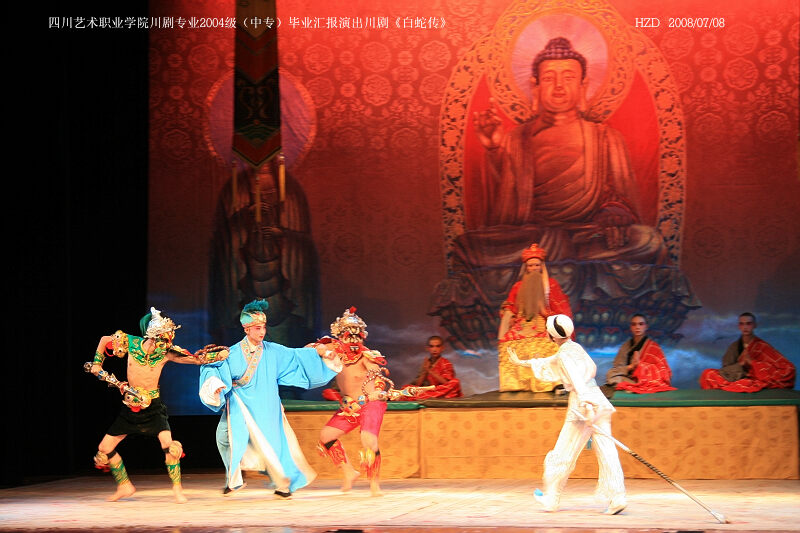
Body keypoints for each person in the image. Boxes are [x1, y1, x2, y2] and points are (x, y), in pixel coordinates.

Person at [472, 36, 667, 264]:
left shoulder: (606, 138)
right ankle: (561, 255)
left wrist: (615, 212)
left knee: (647, 240)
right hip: (533, 238)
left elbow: (623, 198)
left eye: (569, 77)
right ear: (535, 87)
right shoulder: (516, 138)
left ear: (583, 86)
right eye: (548, 78)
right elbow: (503, 212)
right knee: (471, 247)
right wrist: (493, 149)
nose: (559, 86)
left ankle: (559, 257)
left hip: (588, 236)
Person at [198, 299, 341, 498]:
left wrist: (318, 352)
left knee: (273, 445)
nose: (262, 332)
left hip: (266, 404)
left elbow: (296, 357)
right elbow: (213, 368)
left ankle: (283, 485)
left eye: (264, 327)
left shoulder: (273, 351)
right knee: (224, 438)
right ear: (246, 329)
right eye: (257, 328)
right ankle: (234, 479)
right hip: (240, 405)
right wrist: (215, 385)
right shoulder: (231, 353)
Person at [90, 307, 225, 503]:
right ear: (153, 336)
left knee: (169, 446)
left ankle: (177, 490)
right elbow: (104, 340)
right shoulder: (131, 343)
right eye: (163, 338)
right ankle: (124, 485)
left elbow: (195, 359)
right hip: (130, 406)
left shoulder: (166, 353)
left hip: (153, 408)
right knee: (104, 448)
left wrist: (216, 356)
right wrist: (97, 362)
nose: (166, 343)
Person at [509, 314, 626, 515]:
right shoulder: (574, 348)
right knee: (607, 450)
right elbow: (555, 362)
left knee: (564, 450)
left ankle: (551, 498)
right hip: (598, 399)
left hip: (583, 404)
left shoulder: (564, 355)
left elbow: (576, 379)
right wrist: (521, 362)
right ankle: (618, 497)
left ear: (551, 335)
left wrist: (586, 403)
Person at [316, 307, 391, 496]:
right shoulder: (334, 351)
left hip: (370, 403)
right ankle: (349, 472)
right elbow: (311, 348)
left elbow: (377, 375)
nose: (354, 341)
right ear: (341, 337)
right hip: (349, 406)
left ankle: (374, 484)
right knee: (326, 436)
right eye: (349, 337)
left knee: (368, 439)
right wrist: (321, 349)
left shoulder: (367, 356)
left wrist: (377, 390)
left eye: (357, 337)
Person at [497, 243, 572, 392]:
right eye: (530, 265)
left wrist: (544, 312)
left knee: (548, 344)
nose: (534, 268)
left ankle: (550, 382)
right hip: (522, 323)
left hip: (544, 323)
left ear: (542, 266)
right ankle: (516, 384)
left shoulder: (551, 285)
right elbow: (510, 306)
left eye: (537, 265)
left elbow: (560, 310)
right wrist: (509, 315)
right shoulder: (518, 286)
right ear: (526, 267)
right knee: (508, 342)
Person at [699, 312, 795, 392]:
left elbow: (788, 368)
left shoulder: (761, 346)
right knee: (708, 373)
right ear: (739, 326)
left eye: (748, 324)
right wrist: (740, 365)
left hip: (756, 379)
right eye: (742, 324)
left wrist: (752, 363)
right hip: (737, 379)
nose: (745, 327)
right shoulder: (735, 346)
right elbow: (725, 370)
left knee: (748, 383)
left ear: (754, 325)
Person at [605, 314, 676, 393]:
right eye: (634, 324)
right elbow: (617, 368)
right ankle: (630, 387)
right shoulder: (625, 346)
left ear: (646, 326)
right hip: (628, 379)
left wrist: (641, 366)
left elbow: (664, 371)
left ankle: (631, 387)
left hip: (645, 381)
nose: (637, 327)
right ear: (631, 327)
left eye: (641, 324)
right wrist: (631, 366)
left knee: (639, 372)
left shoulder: (653, 347)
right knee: (610, 374)